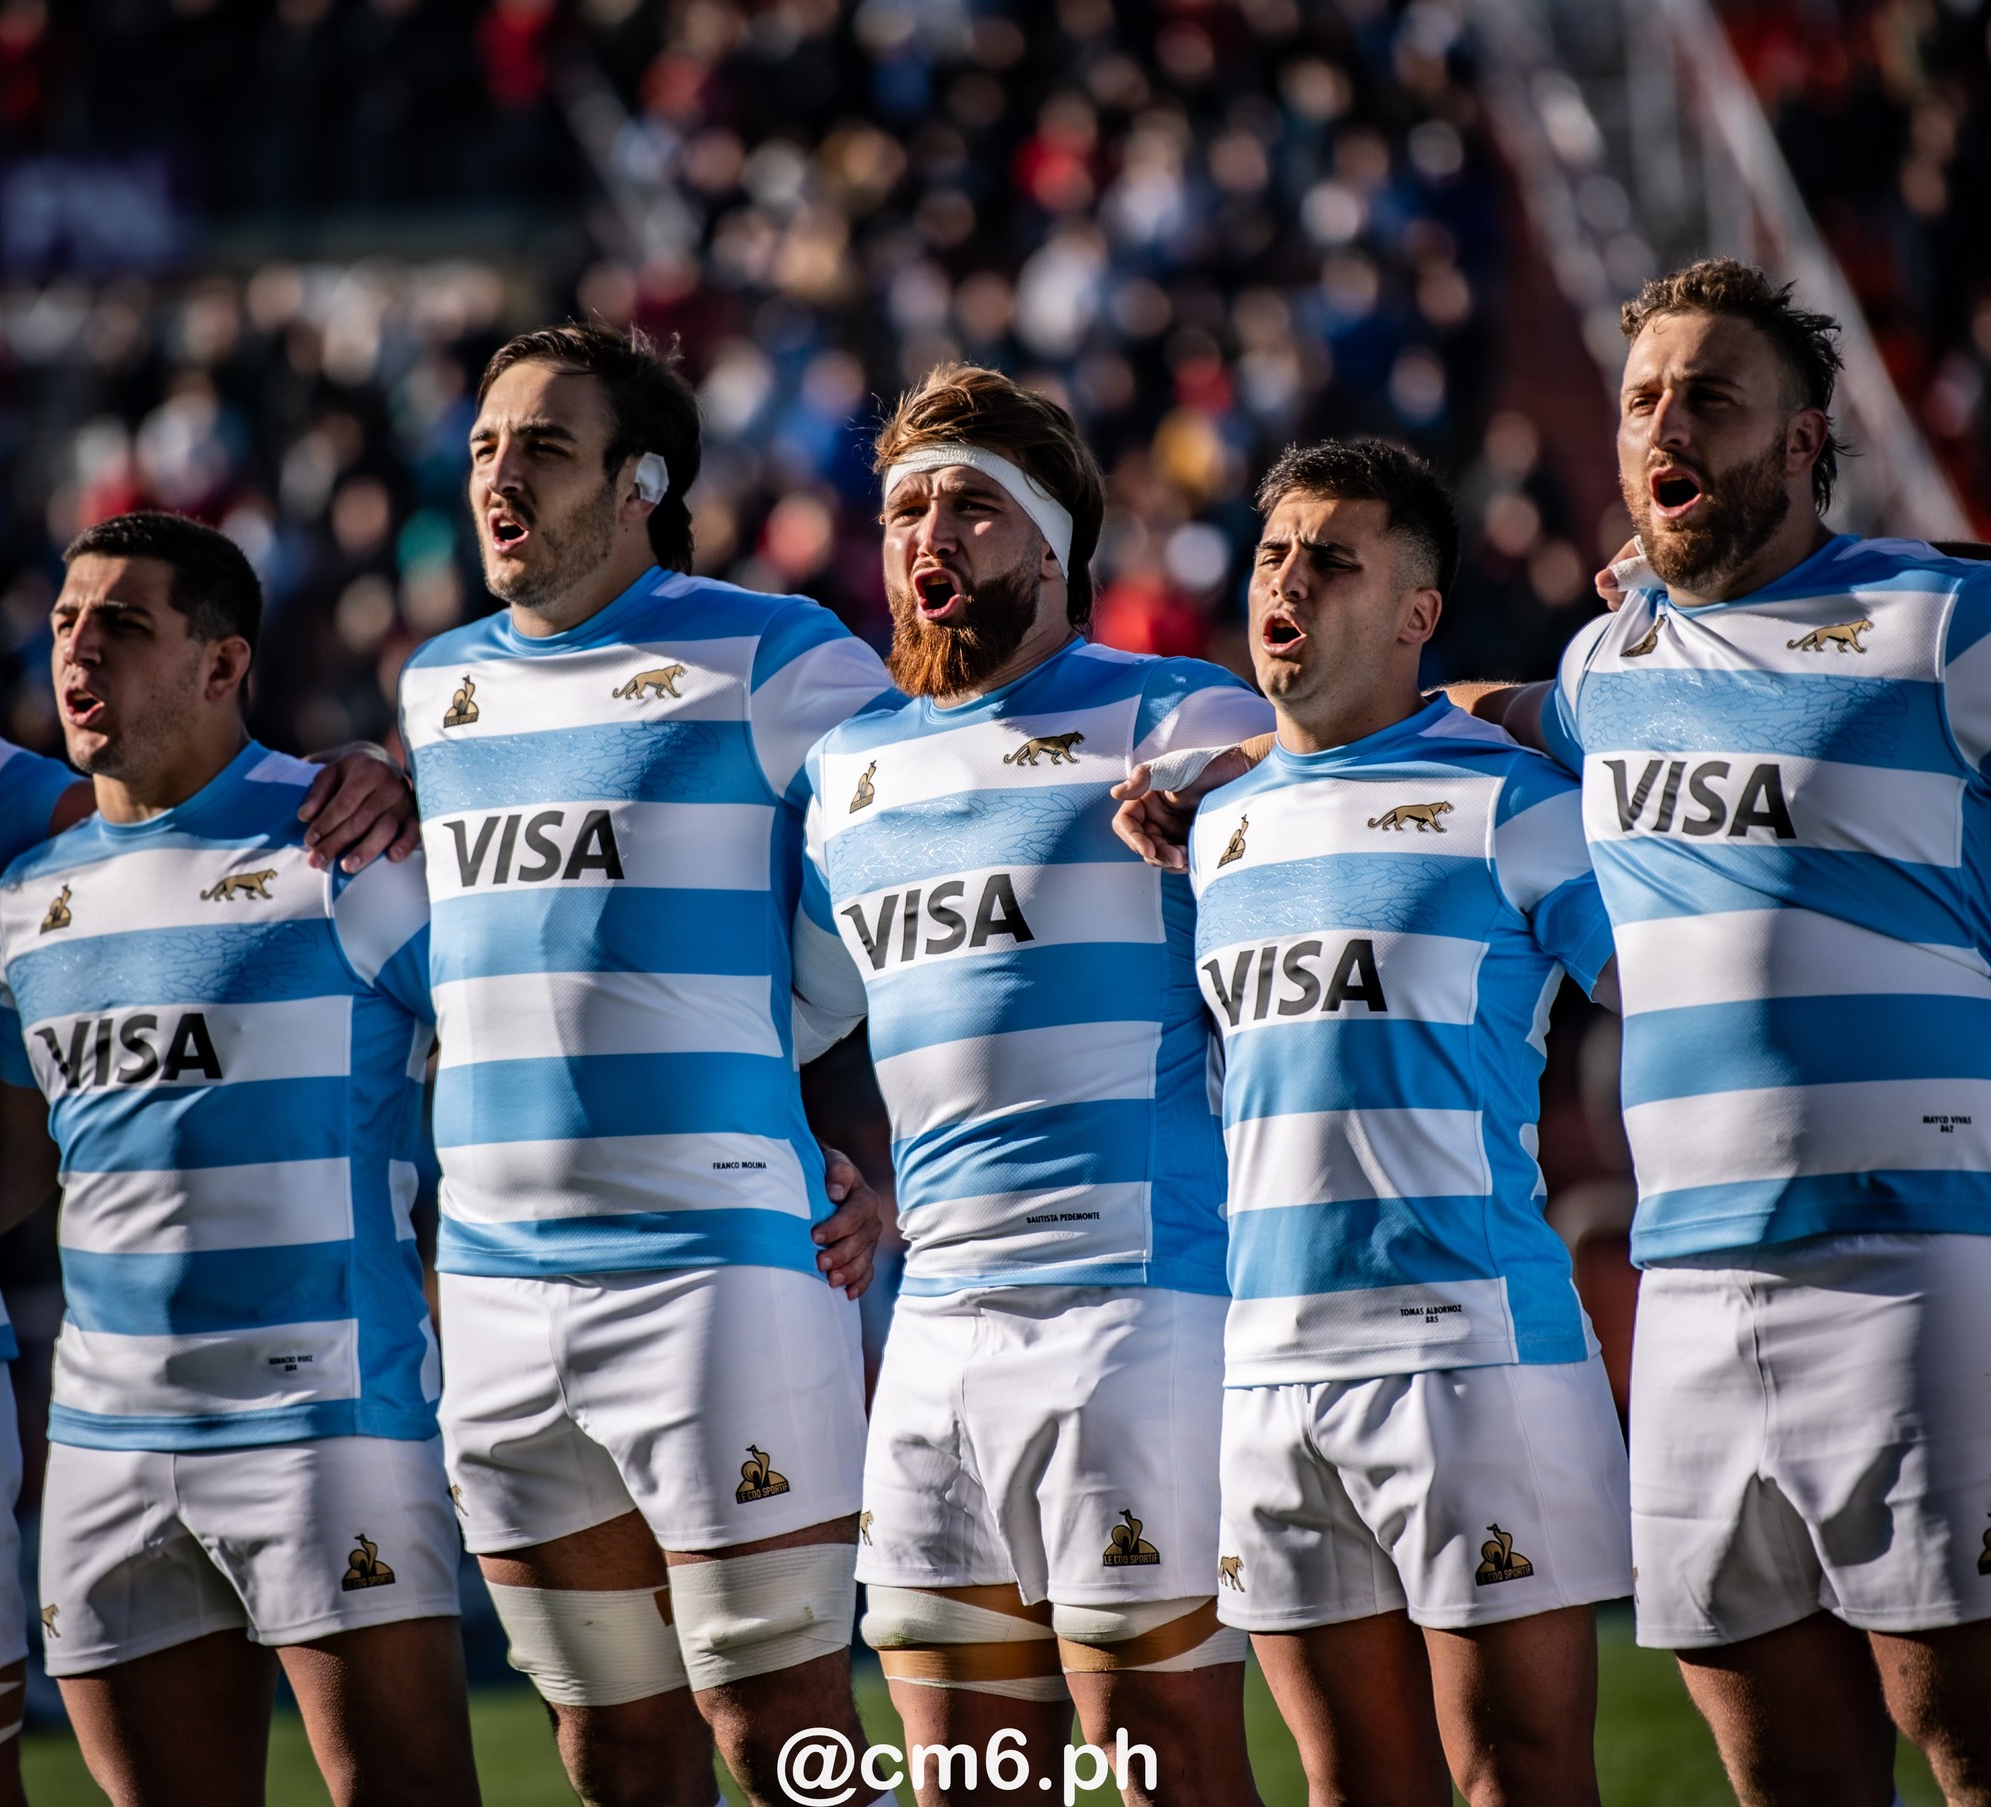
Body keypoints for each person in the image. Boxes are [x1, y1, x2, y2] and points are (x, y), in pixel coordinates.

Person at [1456, 259, 1991, 1807]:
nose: (1665, 422)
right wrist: (1250, 766)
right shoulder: (1604, 664)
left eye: (1711, 396)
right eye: (1642, 402)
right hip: (1688, 1293)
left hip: (1918, 1266)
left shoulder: (1940, 622)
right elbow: (1480, 716)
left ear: (1806, 440)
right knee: (1782, 1775)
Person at [396, 321, 892, 1807]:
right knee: (611, 1747)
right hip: (488, 1288)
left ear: (642, 482)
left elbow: (927, 889)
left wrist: (888, 1154)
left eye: (544, 446)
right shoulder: (434, 687)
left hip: (717, 1273)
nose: (499, 474)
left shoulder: (779, 655)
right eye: (485, 446)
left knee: (781, 1739)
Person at [793, 364, 1276, 1806]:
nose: (926, 533)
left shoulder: (1183, 718)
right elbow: (800, 1009)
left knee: (1167, 1766)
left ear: (1056, 543)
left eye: (968, 505)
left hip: (1144, 1317)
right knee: (964, 1785)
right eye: (903, 508)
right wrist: (800, 1156)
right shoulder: (844, 771)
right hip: (933, 1328)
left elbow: (1359, 778)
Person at [0, 510, 477, 1807]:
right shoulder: (27, 896)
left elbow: (523, 1044)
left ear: (222, 662)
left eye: (124, 626)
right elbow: (12, 1177)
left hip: (320, 1426)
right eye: (68, 621)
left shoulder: (345, 846)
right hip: (102, 1441)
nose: (79, 650)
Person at [1183, 439, 1629, 1806]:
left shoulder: (1521, 807)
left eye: (1333, 560)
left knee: (1517, 1780)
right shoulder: (1209, 829)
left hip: (1473, 1357)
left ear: (1418, 614)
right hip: (1263, 1369)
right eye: (1274, 557)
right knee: (1350, 1787)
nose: (1290, 583)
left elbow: (1687, 998)